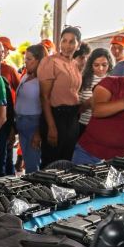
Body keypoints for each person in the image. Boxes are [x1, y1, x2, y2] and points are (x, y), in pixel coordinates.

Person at [38, 26, 83, 166]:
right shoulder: (50, 62)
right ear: (59, 42)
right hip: (56, 117)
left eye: (72, 42)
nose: (67, 45)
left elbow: (74, 93)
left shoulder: (75, 64)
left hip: (72, 119)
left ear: (78, 44)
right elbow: (44, 97)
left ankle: (62, 188)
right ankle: (47, 188)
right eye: (64, 41)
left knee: (66, 162)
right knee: (51, 164)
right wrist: (52, 127)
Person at [15, 44, 46, 173]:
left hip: (34, 123)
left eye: (29, 59)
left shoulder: (43, 79)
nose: (25, 62)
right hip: (21, 122)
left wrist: (39, 132)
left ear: (39, 60)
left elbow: (45, 106)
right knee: (28, 162)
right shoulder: (27, 75)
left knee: (33, 165)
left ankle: (36, 190)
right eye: (25, 59)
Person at [0, 39, 16, 177]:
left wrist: (12, 128)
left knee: (0, 164)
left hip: (1, 129)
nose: (3, 54)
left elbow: (8, 110)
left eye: (2, 51)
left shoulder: (5, 73)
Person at [78, 47, 114, 134]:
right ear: (91, 65)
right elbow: (78, 109)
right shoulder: (83, 79)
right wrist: (89, 102)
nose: (100, 68)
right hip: (84, 125)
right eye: (96, 65)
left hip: (105, 126)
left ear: (110, 64)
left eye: (104, 65)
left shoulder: (114, 80)